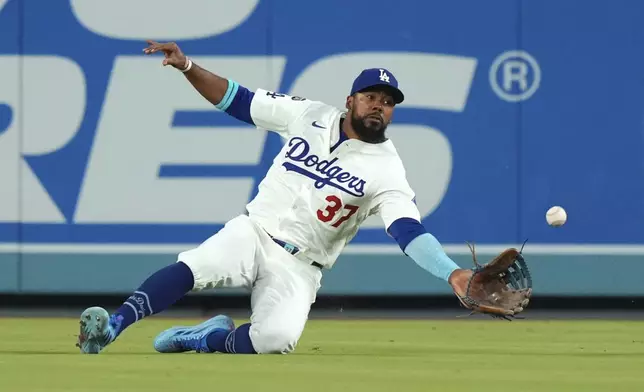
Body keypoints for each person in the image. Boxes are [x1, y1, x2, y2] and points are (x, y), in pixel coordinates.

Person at [76, 40, 529, 355]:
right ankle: (113, 326)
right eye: (371, 96)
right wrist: (188, 66)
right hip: (254, 230)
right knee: (195, 266)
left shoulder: (386, 168)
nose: (379, 105)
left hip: (301, 265)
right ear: (350, 100)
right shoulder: (308, 114)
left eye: (388, 101)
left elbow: (407, 229)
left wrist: (451, 273)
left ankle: (206, 338)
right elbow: (239, 99)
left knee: (274, 341)